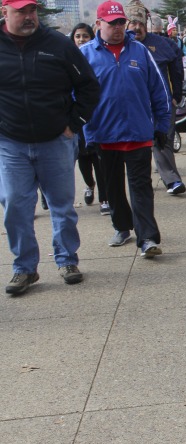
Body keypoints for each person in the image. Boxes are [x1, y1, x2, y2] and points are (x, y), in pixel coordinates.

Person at [0, 0, 100, 295]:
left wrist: (74, 123)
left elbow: (89, 87)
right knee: (16, 208)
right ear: (5, 12)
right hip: (11, 143)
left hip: (55, 140)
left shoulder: (58, 44)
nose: (29, 17)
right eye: (21, 12)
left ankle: (67, 260)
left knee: (62, 207)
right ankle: (24, 269)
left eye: (32, 11)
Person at [81, 0, 171, 258]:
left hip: (138, 134)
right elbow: (78, 97)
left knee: (141, 187)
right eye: (112, 23)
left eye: (121, 22)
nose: (119, 28)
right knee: (112, 188)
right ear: (99, 24)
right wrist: (86, 132)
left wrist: (161, 125)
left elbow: (159, 90)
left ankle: (148, 238)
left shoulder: (140, 51)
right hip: (104, 134)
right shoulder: (86, 54)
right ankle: (122, 226)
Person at [125, 0, 186, 196]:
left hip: (161, 103)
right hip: (133, 105)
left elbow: (177, 71)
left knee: (163, 141)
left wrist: (176, 96)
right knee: (137, 146)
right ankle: (141, 181)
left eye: (141, 24)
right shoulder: (121, 46)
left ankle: (172, 180)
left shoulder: (164, 45)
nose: (137, 28)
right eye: (133, 23)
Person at [69, 22, 109, 215]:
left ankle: (104, 198)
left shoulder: (95, 57)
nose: (81, 39)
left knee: (99, 158)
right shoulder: (67, 58)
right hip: (76, 119)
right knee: (83, 158)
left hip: (95, 116)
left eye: (85, 36)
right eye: (77, 36)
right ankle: (89, 184)